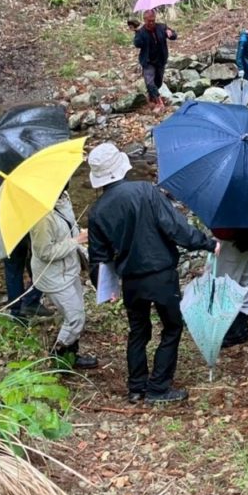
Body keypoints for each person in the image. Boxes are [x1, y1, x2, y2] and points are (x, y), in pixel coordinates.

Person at [86, 142, 217, 405]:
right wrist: (208, 243)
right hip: (161, 275)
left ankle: (136, 388)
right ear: (122, 167)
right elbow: (175, 228)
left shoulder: (97, 212)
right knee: (172, 326)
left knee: (138, 331)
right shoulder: (146, 191)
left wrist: (105, 288)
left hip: (131, 281)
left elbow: (99, 259)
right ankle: (158, 387)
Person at [29, 190, 98, 370]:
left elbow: (67, 227)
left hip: (68, 270)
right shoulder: (41, 218)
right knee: (75, 318)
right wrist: (76, 240)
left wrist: (78, 234)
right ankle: (58, 356)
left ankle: (71, 353)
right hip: (54, 277)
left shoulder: (62, 199)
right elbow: (44, 253)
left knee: (76, 313)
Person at [211, 227, 248, 347]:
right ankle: (240, 328)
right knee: (243, 278)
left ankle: (233, 331)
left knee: (225, 283)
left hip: (232, 238)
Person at [133, 9, 177, 111]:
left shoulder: (162, 27)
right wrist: (137, 33)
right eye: (149, 21)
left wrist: (171, 33)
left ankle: (151, 96)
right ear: (145, 20)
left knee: (158, 83)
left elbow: (174, 36)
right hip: (148, 61)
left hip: (160, 60)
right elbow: (137, 44)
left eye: (153, 20)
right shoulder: (141, 31)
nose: (152, 23)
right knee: (149, 82)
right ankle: (159, 102)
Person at [4, 236, 53, 321]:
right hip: (26, 233)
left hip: (8, 236)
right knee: (41, 264)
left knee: (13, 273)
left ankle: (17, 312)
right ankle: (30, 300)